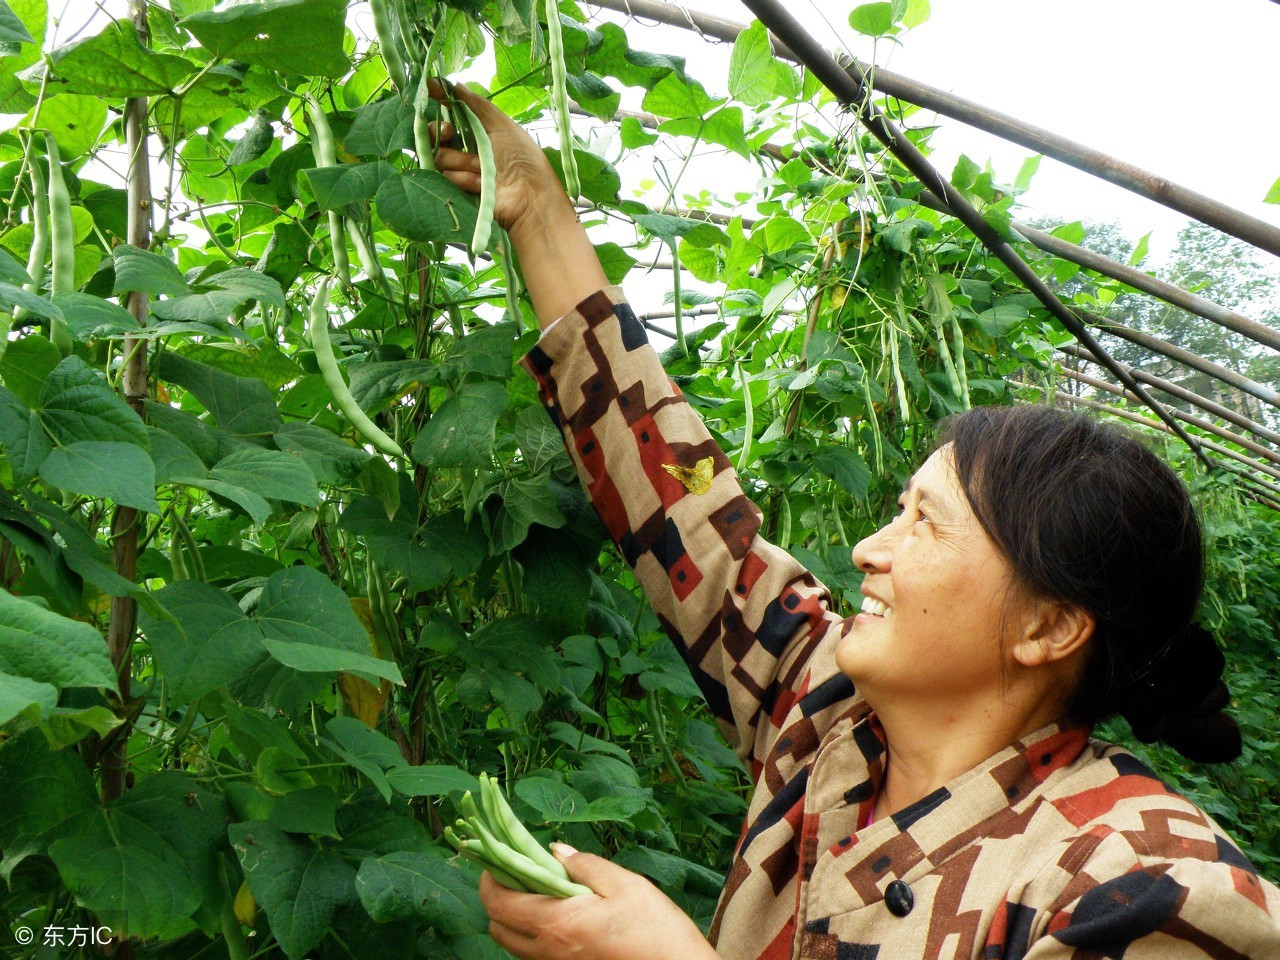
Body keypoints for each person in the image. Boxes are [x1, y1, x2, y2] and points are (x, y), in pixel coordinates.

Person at [429, 82, 1280, 960]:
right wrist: (536, 208)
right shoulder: (823, 710)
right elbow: (678, 498)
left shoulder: (1147, 885)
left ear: (1051, 624)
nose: (868, 550)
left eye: (926, 524)